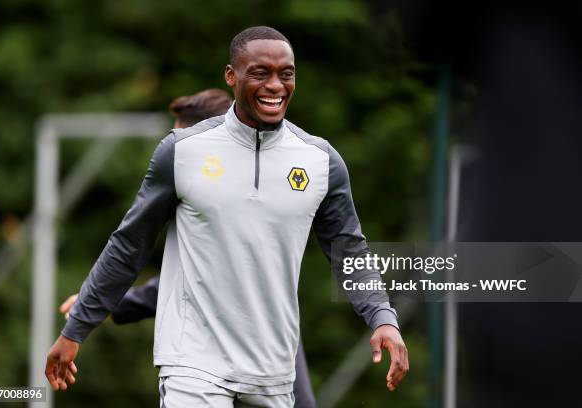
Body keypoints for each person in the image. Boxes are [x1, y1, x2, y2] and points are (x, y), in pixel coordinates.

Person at [45, 26, 409, 407]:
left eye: (286, 73)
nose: (275, 85)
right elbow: (128, 246)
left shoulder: (321, 161)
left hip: (274, 368)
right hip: (192, 364)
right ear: (231, 76)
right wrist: (76, 330)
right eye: (260, 72)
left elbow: (349, 251)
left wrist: (383, 318)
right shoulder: (181, 151)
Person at [58, 87, 317, 407]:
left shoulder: (229, 202)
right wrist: (108, 303)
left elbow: (154, 261)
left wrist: (102, 304)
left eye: (183, 140)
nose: (175, 151)